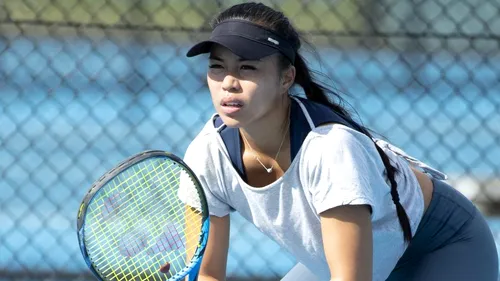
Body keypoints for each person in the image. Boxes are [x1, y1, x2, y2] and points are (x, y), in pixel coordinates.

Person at [181, 2, 498, 281]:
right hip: (358, 262)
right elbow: (207, 274)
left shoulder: (331, 148)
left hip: (438, 245)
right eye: (217, 67)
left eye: (247, 68)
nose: (229, 83)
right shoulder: (206, 155)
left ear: (286, 78)